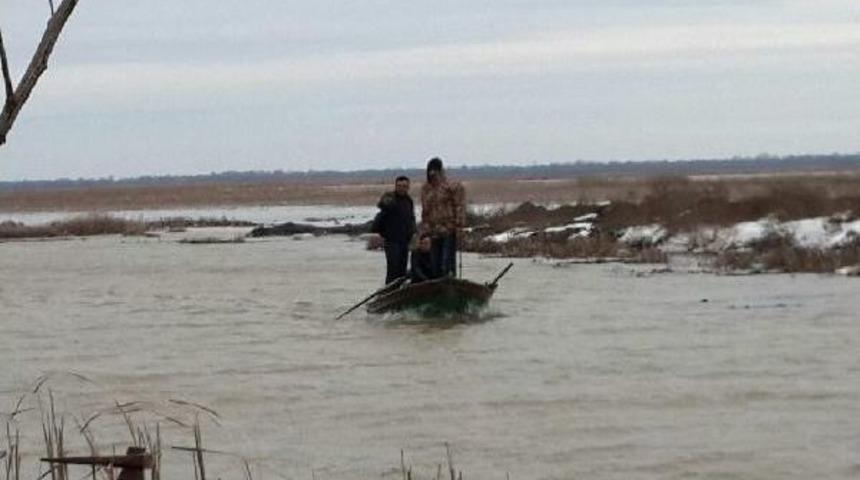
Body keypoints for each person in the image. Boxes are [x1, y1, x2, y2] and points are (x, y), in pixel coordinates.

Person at [420, 157, 466, 276]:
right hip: (433, 231)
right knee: (435, 264)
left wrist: (459, 226)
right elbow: (425, 211)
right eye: (430, 172)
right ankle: (437, 286)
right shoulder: (426, 189)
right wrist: (425, 231)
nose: (433, 175)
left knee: (447, 262)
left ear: (441, 171)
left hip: (449, 229)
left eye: (435, 171)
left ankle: (450, 282)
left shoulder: (452, 186)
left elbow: (459, 206)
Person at [371, 175, 417, 284]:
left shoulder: (409, 201)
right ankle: (389, 290)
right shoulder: (390, 197)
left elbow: (411, 218)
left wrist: (414, 234)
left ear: (408, 187)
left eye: (404, 186)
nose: (402, 188)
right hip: (391, 241)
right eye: (399, 186)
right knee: (393, 269)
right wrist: (388, 202)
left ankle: (400, 289)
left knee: (402, 269)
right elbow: (382, 204)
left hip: (404, 241)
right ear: (395, 186)